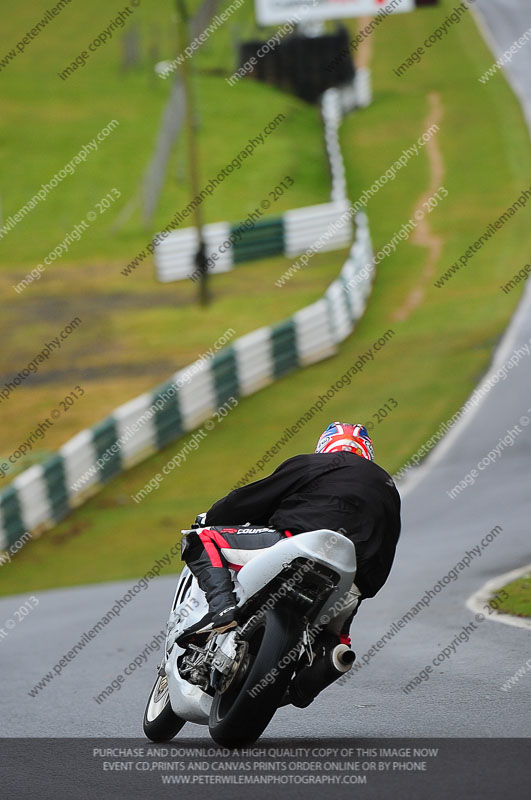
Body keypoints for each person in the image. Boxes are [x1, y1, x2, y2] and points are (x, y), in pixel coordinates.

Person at [178, 422, 401, 644]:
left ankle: (221, 609)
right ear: (367, 451)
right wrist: (363, 588)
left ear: (324, 446)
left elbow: (250, 500)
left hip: (298, 548)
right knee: (336, 646)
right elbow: (387, 548)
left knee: (201, 538)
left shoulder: (312, 463)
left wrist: (212, 517)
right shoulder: (388, 488)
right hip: (351, 582)